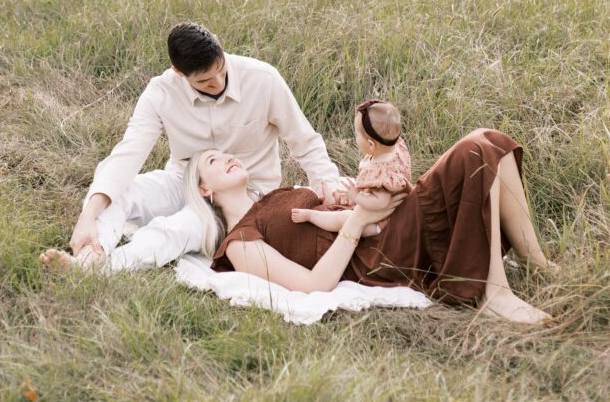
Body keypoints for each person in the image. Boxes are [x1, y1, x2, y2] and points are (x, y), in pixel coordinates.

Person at [40, 22, 341, 273]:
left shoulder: (262, 79)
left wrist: (328, 186)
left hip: (245, 194)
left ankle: (96, 270)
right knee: (120, 192)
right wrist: (87, 216)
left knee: (182, 228)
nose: (219, 81)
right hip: (184, 180)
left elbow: (304, 140)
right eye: (206, 81)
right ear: (179, 73)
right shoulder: (161, 92)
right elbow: (128, 153)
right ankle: (90, 253)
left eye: (221, 70)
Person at [185, 127, 556, 325]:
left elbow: (332, 213)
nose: (229, 159)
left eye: (228, 154)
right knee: (476, 148)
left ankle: (538, 265)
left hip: (387, 220)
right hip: (375, 253)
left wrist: (356, 198)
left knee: (493, 144)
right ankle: (493, 292)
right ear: (205, 189)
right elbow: (314, 285)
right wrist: (359, 219)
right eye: (215, 161)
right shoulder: (239, 242)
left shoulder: (281, 194)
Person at [291, 99, 411, 235]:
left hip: (380, 223)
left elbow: (381, 203)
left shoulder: (383, 176)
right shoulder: (395, 146)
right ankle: (328, 195)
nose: (356, 138)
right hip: (376, 203)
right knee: (345, 183)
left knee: (343, 219)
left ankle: (311, 216)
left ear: (371, 145)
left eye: (357, 134)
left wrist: (356, 197)